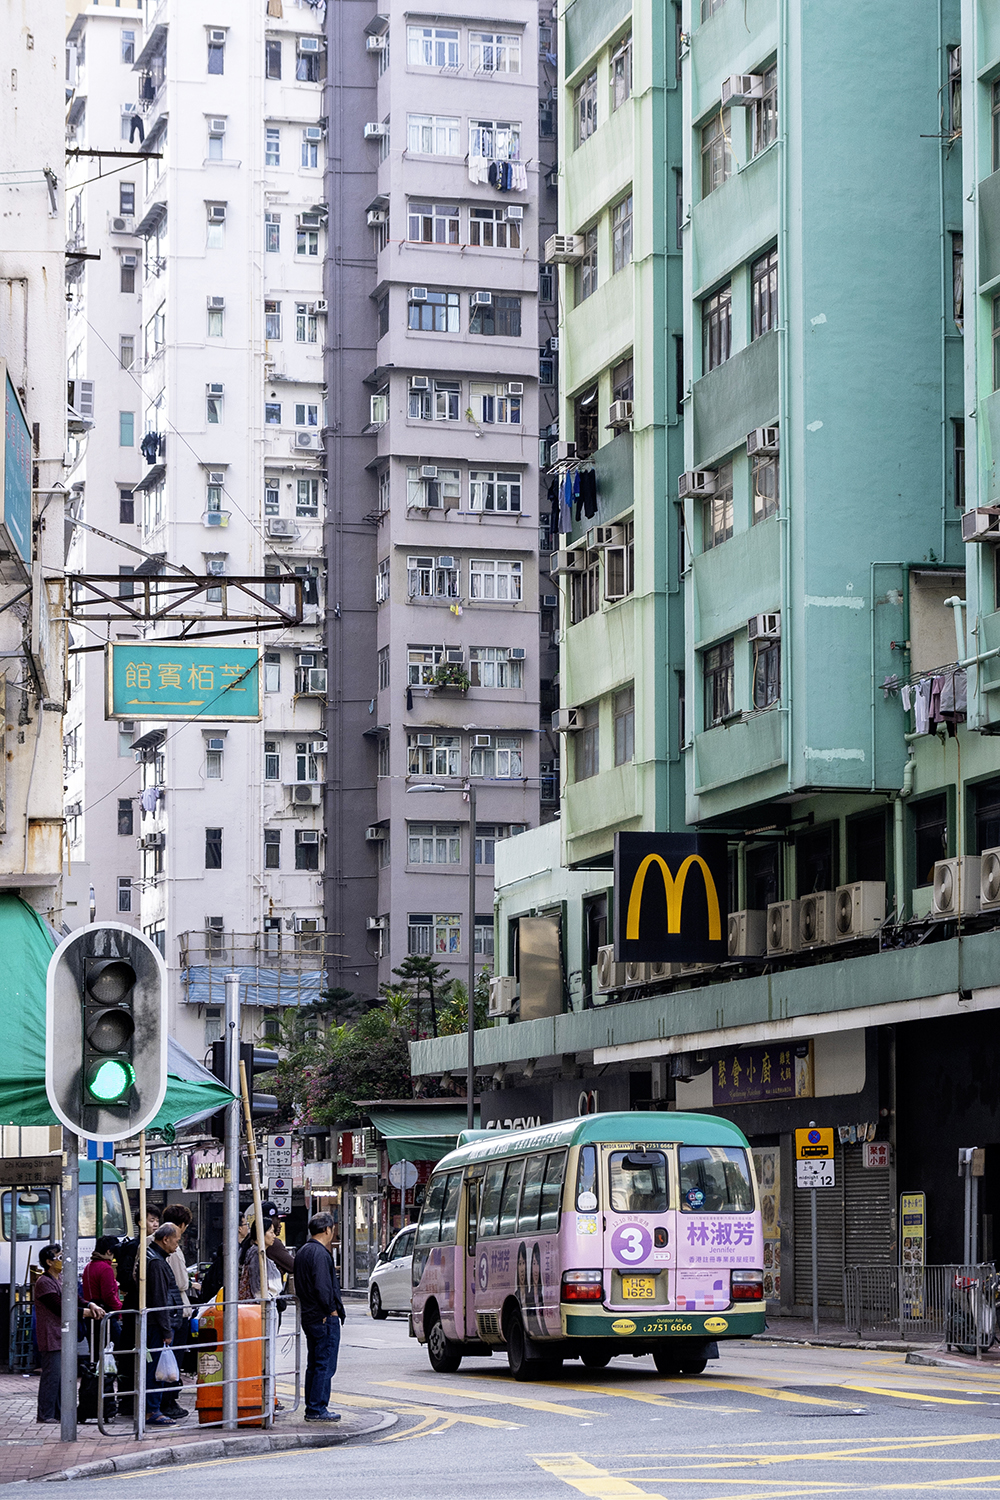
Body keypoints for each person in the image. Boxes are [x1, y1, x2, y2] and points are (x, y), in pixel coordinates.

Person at [34, 1244, 105, 1424]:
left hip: (64, 1335)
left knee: (61, 1378)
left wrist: (90, 1304)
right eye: (58, 1258)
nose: (62, 1261)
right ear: (49, 1262)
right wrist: (85, 1312)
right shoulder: (44, 1283)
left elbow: (75, 1297)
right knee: (52, 1376)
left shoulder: (61, 1278)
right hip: (51, 1336)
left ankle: (57, 1413)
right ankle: (46, 1414)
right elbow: (60, 1307)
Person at [293, 1212, 346, 1423]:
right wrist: (331, 1310)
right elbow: (323, 1287)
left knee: (314, 1363)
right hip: (323, 1317)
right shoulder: (321, 1254)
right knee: (325, 1364)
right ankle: (317, 1408)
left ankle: (312, 1406)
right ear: (327, 1230)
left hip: (308, 1315)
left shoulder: (303, 1252)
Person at [114, 1207, 160, 1419]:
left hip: (147, 1306)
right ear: (141, 1222)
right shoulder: (134, 1247)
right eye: (151, 1220)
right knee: (129, 1353)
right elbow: (124, 1278)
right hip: (134, 1305)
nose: (155, 1224)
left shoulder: (157, 1246)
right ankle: (126, 1399)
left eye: (157, 1220)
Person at [145, 1224, 186, 1425]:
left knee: (155, 1367)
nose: (177, 1246)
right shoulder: (157, 1263)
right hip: (157, 1325)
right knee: (155, 1368)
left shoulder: (153, 1258)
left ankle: (153, 1408)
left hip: (156, 1323)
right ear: (166, 1239)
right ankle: (152, 1409)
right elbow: (160, 1299)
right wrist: (166, 1329)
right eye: (176, 1241)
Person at [81, 1236, 123, 1422]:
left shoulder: (89, 1267)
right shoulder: (105, 1268)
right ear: (109, 1252)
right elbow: (108, 1295)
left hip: (93, 1318)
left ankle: (97, 1398)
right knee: (117, 1354)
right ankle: (110, 1399)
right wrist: (121, 1309)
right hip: (106, 1316)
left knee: (97, 1357)